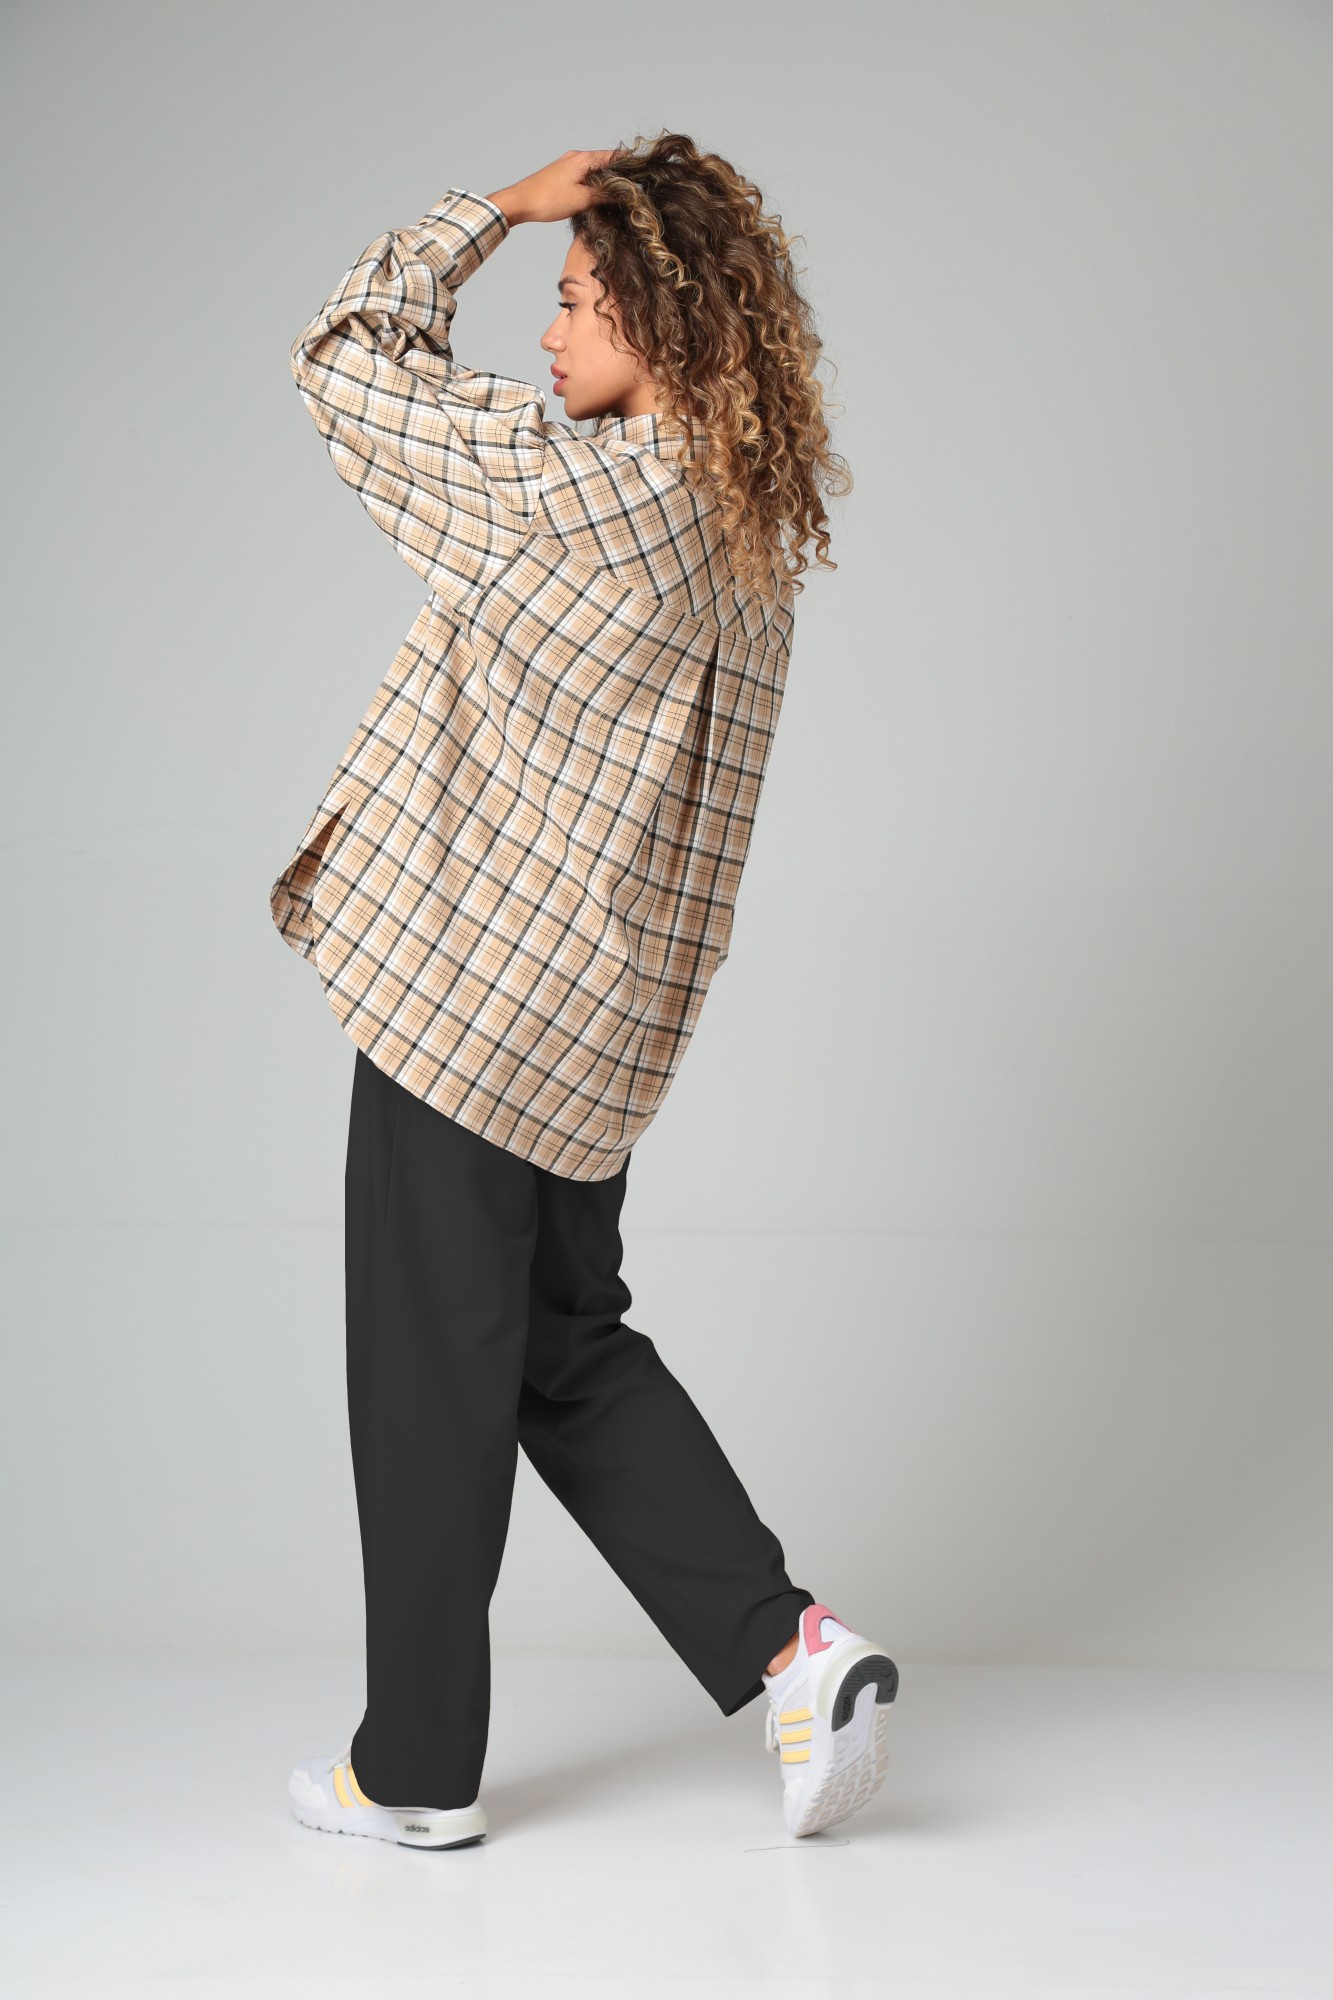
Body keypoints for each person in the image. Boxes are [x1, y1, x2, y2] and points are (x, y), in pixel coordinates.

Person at [272, 135, 898, 1850]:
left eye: (573, 299)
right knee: (559, 1344)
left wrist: (492, 208)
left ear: (662, 317)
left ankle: (415, 1770)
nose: (546, 333)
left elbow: (342, 358)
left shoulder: (572, 488)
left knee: (428, 1376)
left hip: (464, 997)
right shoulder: (741, 527)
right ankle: (791, 1652)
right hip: (595, 1028)